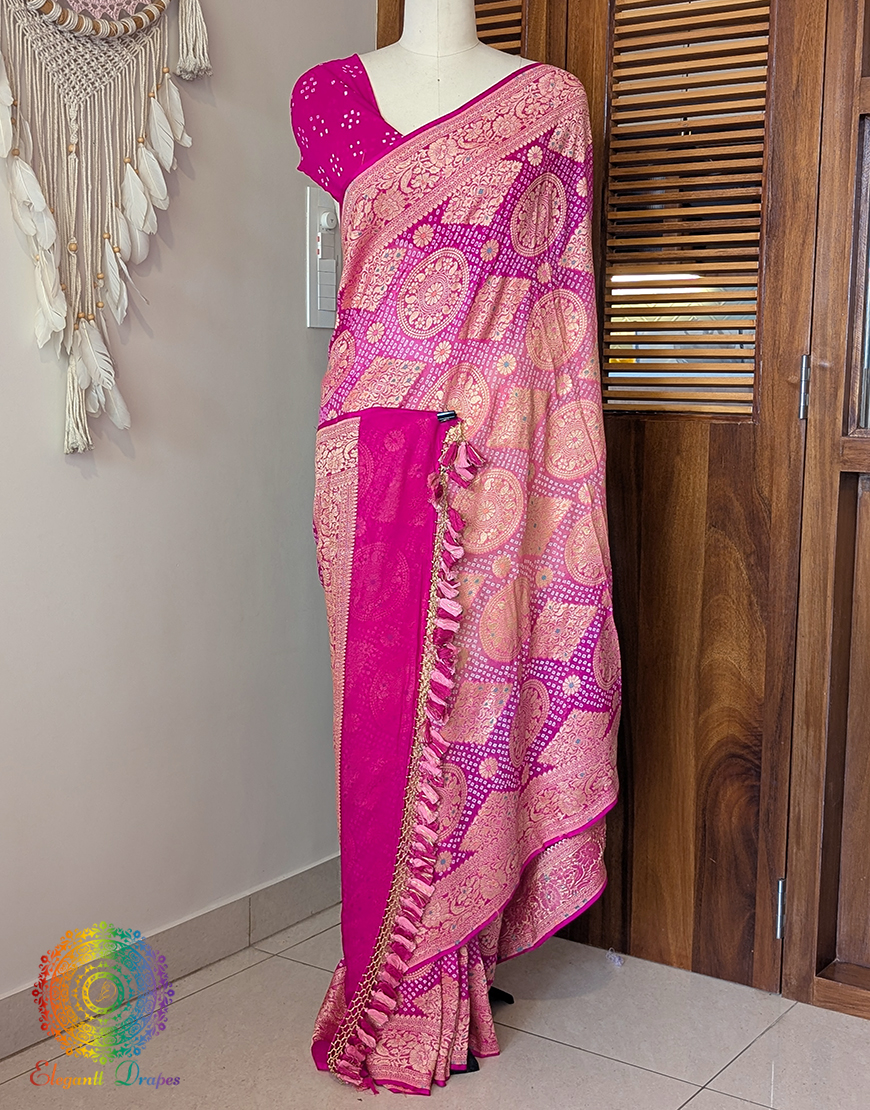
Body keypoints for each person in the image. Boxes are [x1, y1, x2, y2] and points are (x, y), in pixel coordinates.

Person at [290, 0, 621, 1092]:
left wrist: (536, 453)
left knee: (484, 697)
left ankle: (454, 962)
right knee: (382, 720)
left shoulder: (550, 102)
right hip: (366, 452)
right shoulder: (326, 97)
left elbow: (554, 309)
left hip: (494, 454)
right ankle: (396, 988)